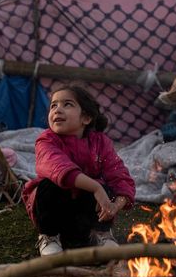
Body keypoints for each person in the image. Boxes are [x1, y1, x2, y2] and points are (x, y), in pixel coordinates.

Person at [22, 85, 136, 256]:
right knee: (48, 185)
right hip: (55, 211)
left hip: (85, 216)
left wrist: (114, 205)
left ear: (86, 118)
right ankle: (50, 236)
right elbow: (58, 167)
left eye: (67, 104)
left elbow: (119, 176)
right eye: (54, 105)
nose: (57, 110)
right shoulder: (46, 140)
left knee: (107, 186)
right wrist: (96, 188)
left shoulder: (101, 142)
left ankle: (101, 233)